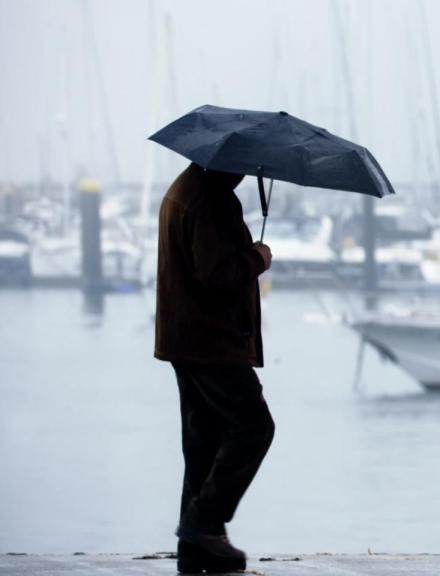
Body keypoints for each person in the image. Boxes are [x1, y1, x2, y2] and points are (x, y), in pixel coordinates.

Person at [154, 163, 275, 574]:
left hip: (185, 337)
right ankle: (203, 523)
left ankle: (197, 547)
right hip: (211, 341)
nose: (245, 172)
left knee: (202, 440)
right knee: (254, 426)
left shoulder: (187, 188)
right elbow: (217, 273)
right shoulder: (210, 199)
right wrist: (257, 258)